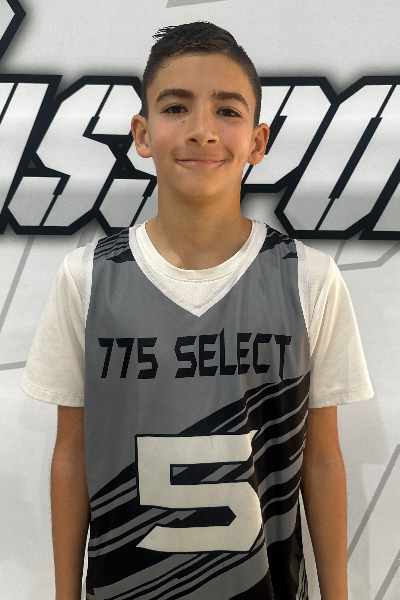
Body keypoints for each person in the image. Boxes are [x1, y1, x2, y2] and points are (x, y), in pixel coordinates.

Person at [21, 21, 373, 600]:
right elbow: (72, 454)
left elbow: (322, 460)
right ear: (141, 133)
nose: (202, 130)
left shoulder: (307, 278)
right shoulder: (86, 278)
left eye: (227, 111)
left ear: (258, 142)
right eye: (176, 107)